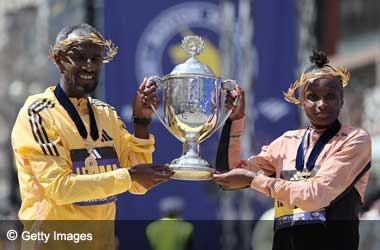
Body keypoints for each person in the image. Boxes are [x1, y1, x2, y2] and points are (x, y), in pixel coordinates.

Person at [11, 23, 173, 249]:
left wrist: (141, 122)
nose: (89, 65)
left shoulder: (106, 114)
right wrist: (129, 176)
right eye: (79, 57)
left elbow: (138, 185)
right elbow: (60, 188)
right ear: (59, 60)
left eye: (95, 59)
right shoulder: (38, 113)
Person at [213, 50, 372, 250]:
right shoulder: (286, 142)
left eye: (330, 96)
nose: (322, 104)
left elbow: (315, 197)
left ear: (341, 100)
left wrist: (254, 180)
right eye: (313, 97)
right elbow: (227, 174)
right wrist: (234, 121)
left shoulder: (354, 139)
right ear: (301, 102)